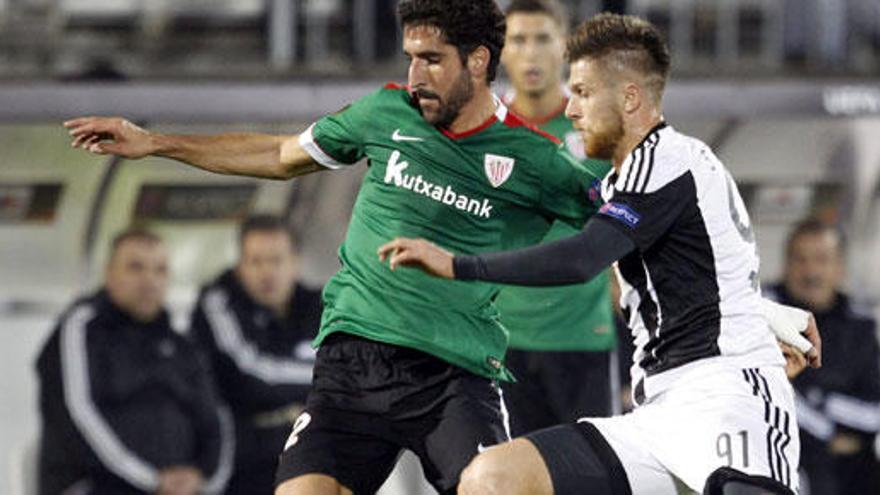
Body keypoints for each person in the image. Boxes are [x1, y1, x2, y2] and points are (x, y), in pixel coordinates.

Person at [63, 2, 604, 492]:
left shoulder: (537, 159)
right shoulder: (383, 114)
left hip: (453, 378)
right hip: (352, 367)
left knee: (496, 488)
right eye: (411, 58)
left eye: (432, 60)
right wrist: (157, 142)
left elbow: (620, 225)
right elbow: (279, 156)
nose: (416, 76)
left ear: (480, 61)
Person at [377, 13, 821, 494]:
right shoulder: (624, 181)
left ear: (629, 97)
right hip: (656, 415)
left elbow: (582, 259)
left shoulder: (671, 160)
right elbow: (701, 272)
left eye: (584, 93)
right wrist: (763, 311)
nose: (571, 108)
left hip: (726, 394)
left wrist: (456, 264)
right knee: (493, 479)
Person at [497, 0, 620, 434]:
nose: (531, 53)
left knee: (592, 476)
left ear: (565, 47)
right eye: (518, 40)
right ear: (501, 49)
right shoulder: (482, 129)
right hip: (501, 343)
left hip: (582, 339)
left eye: (543, 39)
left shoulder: (600, 127)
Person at [36, 229, 233, 495]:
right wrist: (151, 480)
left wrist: (202, 477)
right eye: (135, 268)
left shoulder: (180, 343)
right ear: (109, 273)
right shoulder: (82, 327)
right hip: (98, 485)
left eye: (160, 270)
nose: (149, 281)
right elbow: (78, 413)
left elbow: (214, 417)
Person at [189, 215, 322, 494]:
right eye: (256, 261)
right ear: (240, 266)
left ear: (295, 261)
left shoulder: (320, 305)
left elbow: (353, 368)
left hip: (309, 449)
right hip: (242, 457)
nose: (267, 273)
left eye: (276, 260)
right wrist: (329, 377)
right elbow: (252, 372)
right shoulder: (219, 301)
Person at [765, 219, 880, 495]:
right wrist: (831, 433)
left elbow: (875, 412)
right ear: (785, 265)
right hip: (783, 459)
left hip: (852, 470)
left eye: (822, 260)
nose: (811, 272)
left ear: (840, 268)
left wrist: (819, 402)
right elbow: (771, 398)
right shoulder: (763, 315)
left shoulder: (859, 324)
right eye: (800, 260)